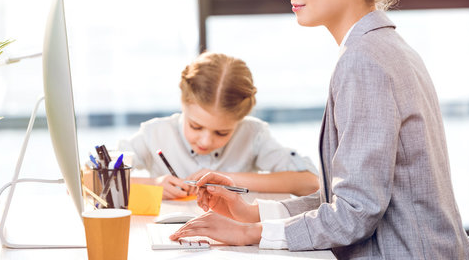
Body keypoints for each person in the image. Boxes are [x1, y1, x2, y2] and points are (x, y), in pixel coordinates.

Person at [170, 0, 469, 259]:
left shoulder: (366, 61)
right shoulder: (383, 46)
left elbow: (355, 213)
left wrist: (249, 234)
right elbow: (346, 196)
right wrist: (252, 212)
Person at [118, 51, 319, 200]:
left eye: (222, 132)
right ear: (183, 102)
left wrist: (226, 178)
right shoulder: (155, 134)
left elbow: (310, 183)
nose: (206, 140)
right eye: (195, 126)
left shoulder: (252, 134)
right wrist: (153, 185)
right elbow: (94, 179)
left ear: (240, 120)